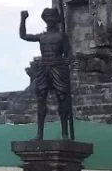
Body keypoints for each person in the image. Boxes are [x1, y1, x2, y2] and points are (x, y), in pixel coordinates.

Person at [19, 8, 74, 140]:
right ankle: (39, 134)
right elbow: (24, 36)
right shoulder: (41, 36)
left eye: (52, 17)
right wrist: (23, 19)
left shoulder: (62, 36)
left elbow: (69, 54)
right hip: (44, 68)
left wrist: (68, 61)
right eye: (47, 17)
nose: (50, 20)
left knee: (62, 99)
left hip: (58, 67)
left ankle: (65, 133)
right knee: (41, 99)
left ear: (56, 20)